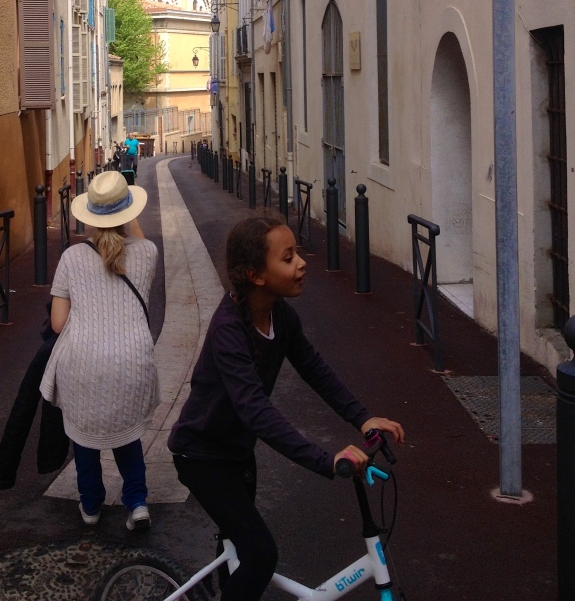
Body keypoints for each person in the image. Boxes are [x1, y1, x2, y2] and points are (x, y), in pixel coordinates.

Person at [168, 216, 404, 601]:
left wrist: (362, 417)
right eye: (288, 257)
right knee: (261, 556)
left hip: (238, 453)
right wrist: (325, 460)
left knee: (240, 554)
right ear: (255, 275)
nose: (301, 263)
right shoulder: (229, 329)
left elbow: (314, 368)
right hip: (202, 456)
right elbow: (256, 412)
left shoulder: (279, 313)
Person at [41, 171, 159, 530]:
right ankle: (137, 503)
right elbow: (134, 239)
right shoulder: (148, 253)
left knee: (84, 438)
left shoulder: (72, 258)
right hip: (132, 360)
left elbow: (58, 324)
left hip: (82, 362)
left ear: (88, 215)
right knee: (127, 436)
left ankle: (90, 506)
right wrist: (125, 211)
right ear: (126, 214)